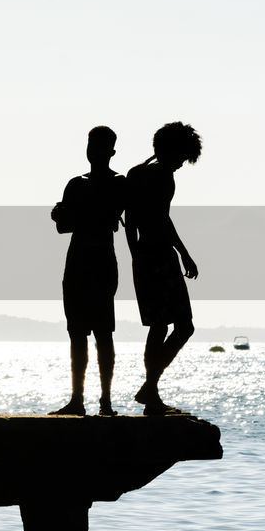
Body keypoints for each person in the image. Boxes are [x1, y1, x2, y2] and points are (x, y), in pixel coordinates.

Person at [126, 122, 202, 416]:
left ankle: (151, 391)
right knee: (182, 326)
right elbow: (159, 221)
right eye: (181, 157)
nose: (182, 163)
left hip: (146, 255)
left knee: (160, 326)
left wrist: (136, 256)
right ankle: (150, 389)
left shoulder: (138, 173)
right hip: (158, 256)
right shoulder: (160, 177)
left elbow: (132, 221)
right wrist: (184, 254)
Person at [50, 126, 128, 417]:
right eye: (90, 145)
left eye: (98, 145)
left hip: (101, 263)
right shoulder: (76, 183)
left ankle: (105, 401)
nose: (92, 150)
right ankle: (77, 399)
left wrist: (72, 214)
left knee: (103, 333)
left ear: (110, 151)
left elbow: (107, 218)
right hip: (77, 262)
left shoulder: (119, 183)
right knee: (77, 333)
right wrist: (69, 215)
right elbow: (63, 225)